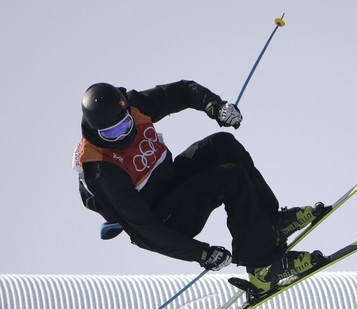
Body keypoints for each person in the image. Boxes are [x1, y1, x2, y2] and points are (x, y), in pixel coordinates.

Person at [73, 80, 323, 296]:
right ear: (97, 132)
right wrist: (202, 254)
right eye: (112, 132)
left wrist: (214, 106)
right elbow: (145, 232)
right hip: (163, 220)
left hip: (170, 184)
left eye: (125, 124)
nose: (123, 134)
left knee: (223, 144)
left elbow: (182, 91)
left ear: (126, 108)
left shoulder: (135, 105)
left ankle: (269, 226)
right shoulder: (102, 170)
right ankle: (263, 267)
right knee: (229, 177)